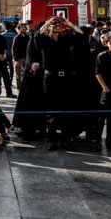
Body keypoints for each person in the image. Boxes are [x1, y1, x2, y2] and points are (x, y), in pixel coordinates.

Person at [35, 16, 83, 151]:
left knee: (66, 109)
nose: (56, 26)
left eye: (58, 24)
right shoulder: (44, 40)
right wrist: (49, 21)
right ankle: (51, 139)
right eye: (54, 24)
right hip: (50, 78)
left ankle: (65, 139)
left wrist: (68, 23)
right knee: (52, 110)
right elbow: (37, 34)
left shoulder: (66, 38)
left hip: (65, 79)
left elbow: (81, 35)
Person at [12, 22, 29, 91]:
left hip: (27, 57)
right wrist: (15, 59)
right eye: (22, 27)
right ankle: (19, 87)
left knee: (27, 72)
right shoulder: (17, 38)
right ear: (19, 29)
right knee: (18, 73)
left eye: (24, 27)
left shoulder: (27, 37)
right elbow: (13, 49)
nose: (24, 28)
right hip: (19, 58)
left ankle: (26, 85)